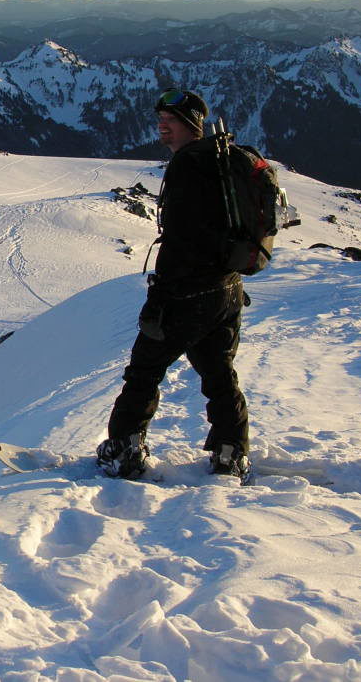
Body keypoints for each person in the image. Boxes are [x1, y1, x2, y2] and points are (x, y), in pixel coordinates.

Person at [96, 88, 250, 479]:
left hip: (186, 292)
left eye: (172, 120)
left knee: (144, 372)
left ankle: (123, 449)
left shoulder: (188, 165)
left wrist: (161, 294)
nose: (162, 126)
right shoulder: (222, 159)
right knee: (218, 373)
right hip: (226, 289)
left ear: (192, 124)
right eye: (160, 119)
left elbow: (182, 237)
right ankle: (230, 451)